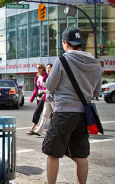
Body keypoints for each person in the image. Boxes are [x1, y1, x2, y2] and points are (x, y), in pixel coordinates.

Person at [42, 27, 102, 184]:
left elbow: (49, 86)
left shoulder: (61, 60)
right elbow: (96, 91)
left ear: (65, 43)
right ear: (80, 44)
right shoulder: (96, 64)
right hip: (83, 116)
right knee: (81, 155)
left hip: (62, 112)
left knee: (53, 153)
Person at [33, 64, 55, 136]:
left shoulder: (55, 76)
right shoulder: (47, 77)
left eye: (50, 68)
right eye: (47, 68)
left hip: (54, 99)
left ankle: (60, 130)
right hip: (48, 98)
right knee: (45, 115)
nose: (48, 70)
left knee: (57, 114)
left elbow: (53, 88)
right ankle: (39, 131)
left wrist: (43, 91)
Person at [27, 63, 48, 135]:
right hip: (39, 97)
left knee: (46, 114)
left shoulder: (46, 76)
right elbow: (36, 88)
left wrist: (43, 92)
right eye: (37, 68)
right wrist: (32, 98)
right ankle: (33, 129)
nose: (38, 69)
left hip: (46, 97)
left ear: (43, 68)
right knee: (38, 112)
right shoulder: (37, 77)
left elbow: (47, 87)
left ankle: (34, 129)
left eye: (39, 67)